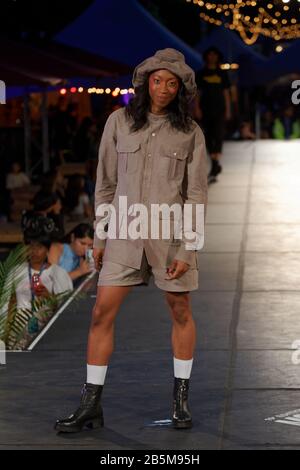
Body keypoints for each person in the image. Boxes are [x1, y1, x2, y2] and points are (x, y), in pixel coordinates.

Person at [55, 48, 208, 433]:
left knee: (180, 312)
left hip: (168, 236)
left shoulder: (190, 132)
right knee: (101, 313)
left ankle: (181, 401)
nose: (163, 88)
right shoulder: (118, 122)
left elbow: (196, 195)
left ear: (180, 89)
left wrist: (187, 249)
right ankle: (91, 405)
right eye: (157, 80)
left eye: (172, 83)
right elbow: (105, 184)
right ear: (145, 81)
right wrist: (101, 235)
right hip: (123, 233)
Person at [195, 47, 231, 184]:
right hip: (205, 109)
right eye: (209, 54)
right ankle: (215, 163)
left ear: (218, 57)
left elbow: (226, 93)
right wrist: (196, 107)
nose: (212, 57)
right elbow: (198, 93)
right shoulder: (201, 74)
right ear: (206, 56)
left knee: (219, 135)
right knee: (208, 137)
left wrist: (228, 109)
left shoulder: (222, 74)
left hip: (220, 109)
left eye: (214, 54)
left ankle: (215, 165)